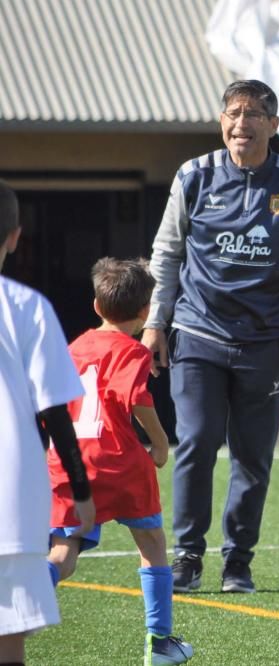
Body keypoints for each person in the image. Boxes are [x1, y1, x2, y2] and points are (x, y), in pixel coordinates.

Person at [142, 80, 279, 594]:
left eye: (253, 114)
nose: (241, 123)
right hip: (197, 333)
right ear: (221, 120)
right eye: (233, 112)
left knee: (252, 455)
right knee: (198, 442)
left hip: (266, 341)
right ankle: (186, 556)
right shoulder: (194, 176)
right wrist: (154, 323)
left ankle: (238, 561)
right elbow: (167, 253)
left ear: (274, 125)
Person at [47, 258, 193, 665]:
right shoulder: (132, 351)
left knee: (63, 552)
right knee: (152, 543)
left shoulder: (74, 347)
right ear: (146, 311)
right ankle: (160, 643)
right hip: (119, 462)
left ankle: (22, 597)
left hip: (68, 460)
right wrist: (161, 443)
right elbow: (137, 398)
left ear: (96, 306)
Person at [0, 180, 95, 665]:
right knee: (8, 637)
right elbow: (56, 412)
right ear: (16, 237)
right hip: (10, 495)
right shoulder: (28, 307)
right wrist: (80, 492)